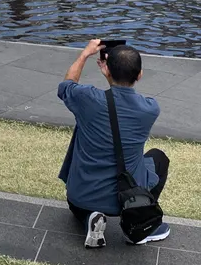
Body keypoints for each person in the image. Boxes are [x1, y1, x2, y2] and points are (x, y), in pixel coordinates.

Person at [58, 40, 169, 249]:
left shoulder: (87, 99)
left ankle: (89, 218)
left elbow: (66, 85)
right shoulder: (150, 109)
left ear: (106, 69)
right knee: (159, 158)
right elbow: (121, 104)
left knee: (80, 205)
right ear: (140, 75)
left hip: (82, 195)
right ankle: (138, 220)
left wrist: (85, 55)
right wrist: (112, 75)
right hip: (126, 198)